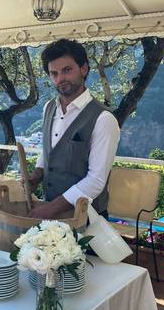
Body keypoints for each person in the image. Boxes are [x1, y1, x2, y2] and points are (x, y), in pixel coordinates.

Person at [26, 39, 120, 219]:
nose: (60, 79)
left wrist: (50, 209)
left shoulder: (103, 119)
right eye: (54, 73)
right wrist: (36, 175)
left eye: (67, 70)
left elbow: (96, 181)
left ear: (83, 69)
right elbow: (49, 150)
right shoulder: (48, 108)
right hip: (50, 215)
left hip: (87, 220)